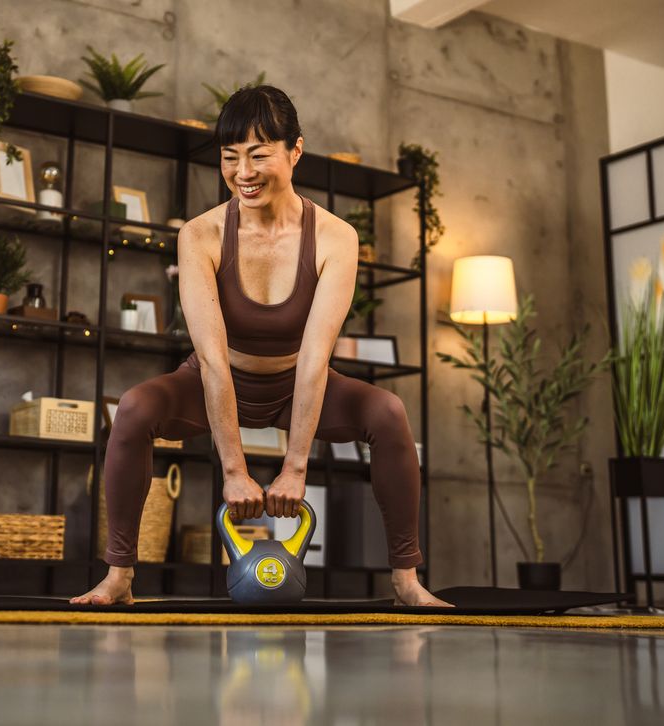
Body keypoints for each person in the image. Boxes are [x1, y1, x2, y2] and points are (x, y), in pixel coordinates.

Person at [71, 85, 451, 608]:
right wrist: (234, 470)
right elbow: (209, 357)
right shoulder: (201, 235)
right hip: (218, 376)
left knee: (388, 413)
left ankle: (406, 581)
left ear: (295, 151)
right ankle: (119, 575)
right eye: (229, 158)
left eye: (258, 154)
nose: (243, 172)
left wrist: (295, 467)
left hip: (298, 381)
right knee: (134, 408)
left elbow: (317, 358)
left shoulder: (336, 237)